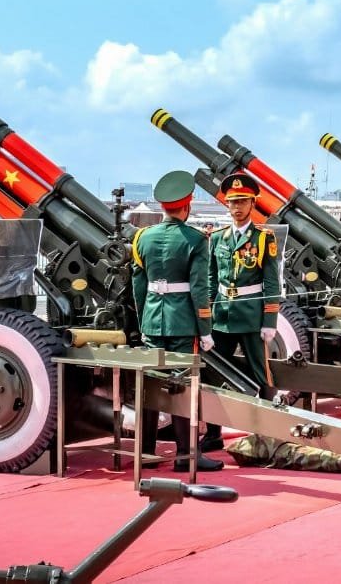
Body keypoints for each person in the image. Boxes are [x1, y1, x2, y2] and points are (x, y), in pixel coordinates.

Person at [131, 171, 223, 471]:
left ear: (162, 207)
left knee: (149, 387)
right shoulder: (196, 240)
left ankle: (145, 453)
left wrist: (145, 318)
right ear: (187, 206)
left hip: (152, 322)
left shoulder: (143, 237)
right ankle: (186, 456)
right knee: (182, 388)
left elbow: (139, 284)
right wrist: (205, 329)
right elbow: (199, 289)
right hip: (183, 323)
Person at [208, 172, 281, 398]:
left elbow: (271, 283)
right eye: (232, 202)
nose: (237, 207)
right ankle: (213, 433)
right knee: (213, 372)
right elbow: (211, 279)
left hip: (251, 317)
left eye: (242, 201)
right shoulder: (217, 237)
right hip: (221, 317)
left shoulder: (263, 237)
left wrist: (270, 322)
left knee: (261, 374)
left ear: (252, 203)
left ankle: (268, 426)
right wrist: (206, 317)